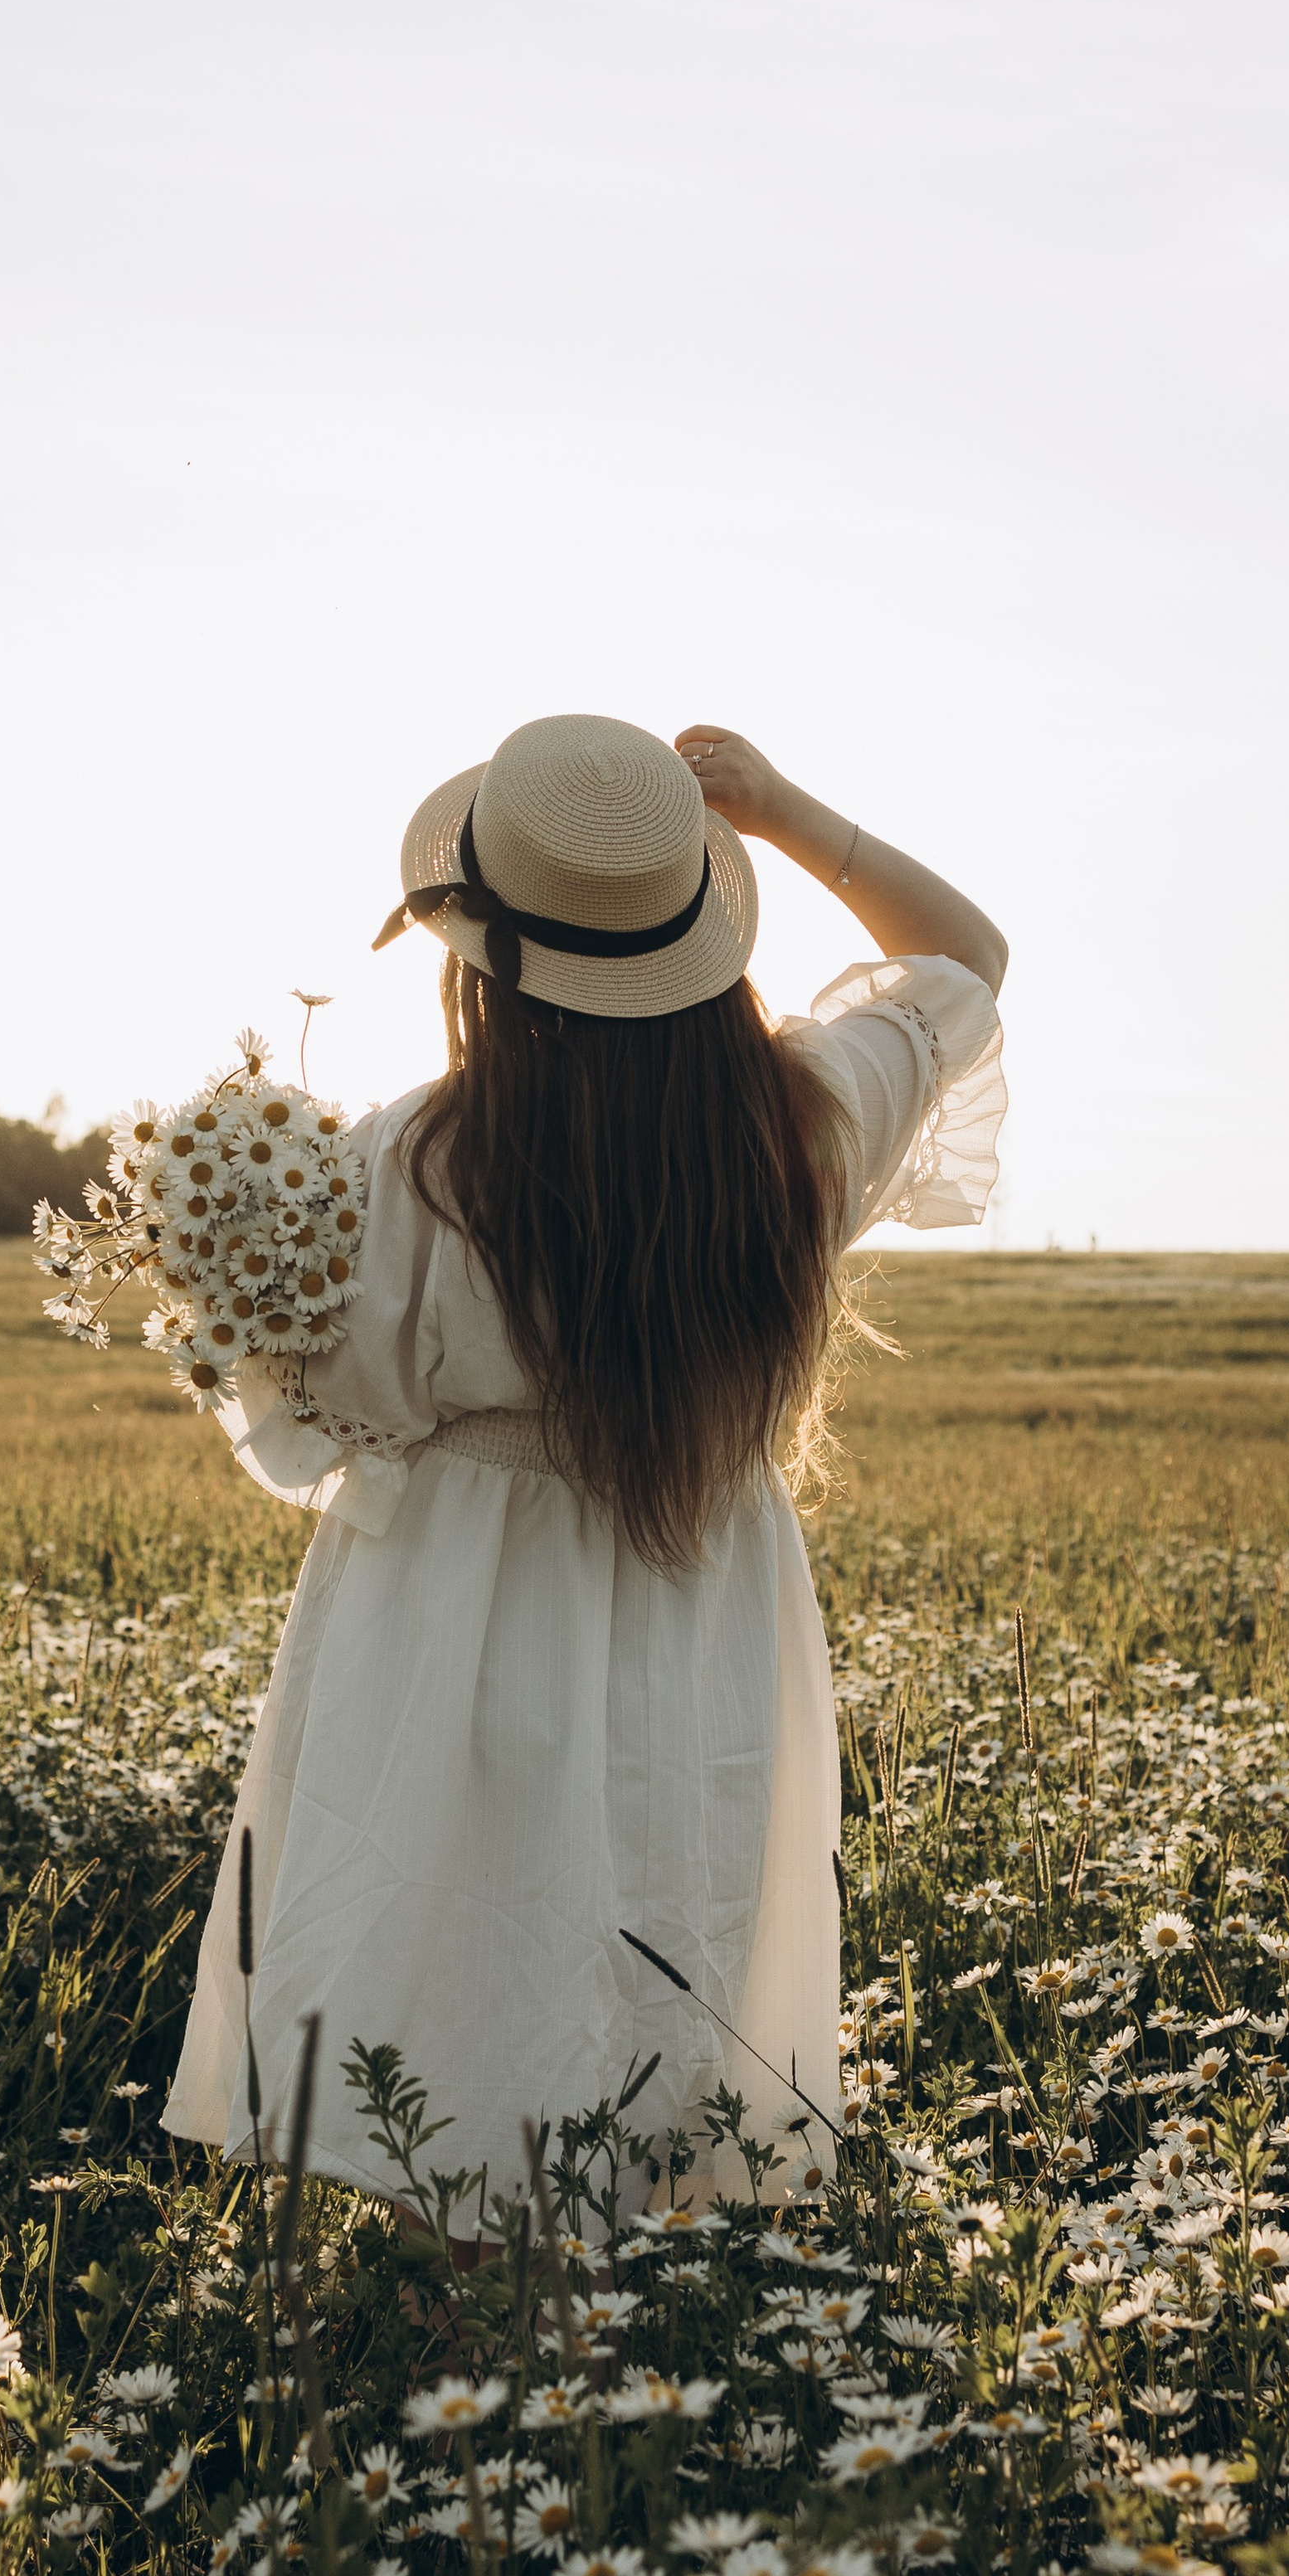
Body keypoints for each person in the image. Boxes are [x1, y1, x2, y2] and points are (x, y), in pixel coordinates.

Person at [161, 712, 1006, 2218]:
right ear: (698, 930)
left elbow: (310, 1425)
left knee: (457, 1957)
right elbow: (967, 961)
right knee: (668, 1911)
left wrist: (233, 1287)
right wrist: (786, 812)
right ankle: (625, 2323)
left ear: (472, 954)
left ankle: (480, 2330)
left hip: (453, 1609)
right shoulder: (800, 1127)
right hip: (707, 1603)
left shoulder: (408, 1161)